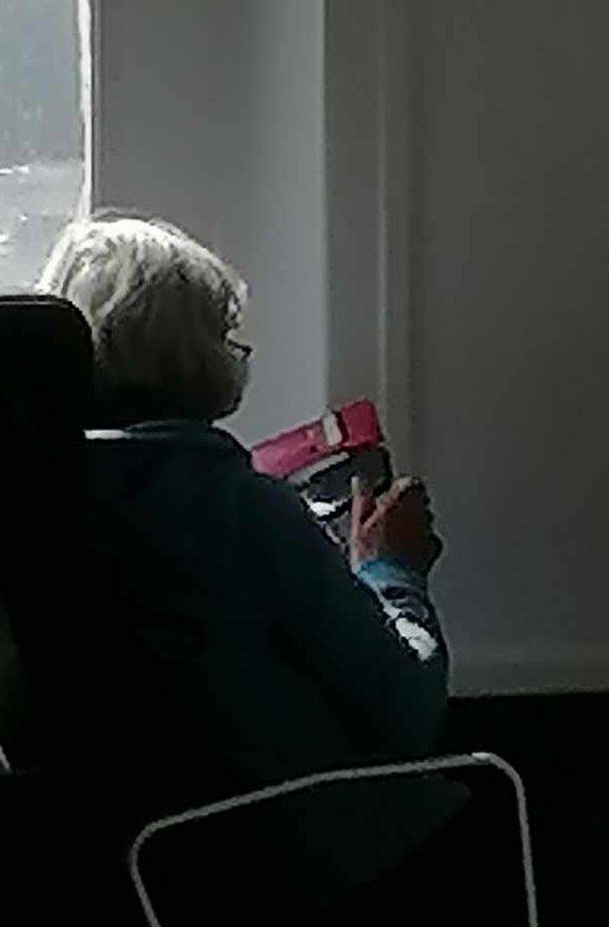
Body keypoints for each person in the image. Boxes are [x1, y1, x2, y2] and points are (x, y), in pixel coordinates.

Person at [35, 212, 531, 925]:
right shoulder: (237, 507)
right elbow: (408, 708)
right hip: (309, 860)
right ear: (193, 354)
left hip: (161, 859)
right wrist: (391, 569)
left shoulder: (63, 491)